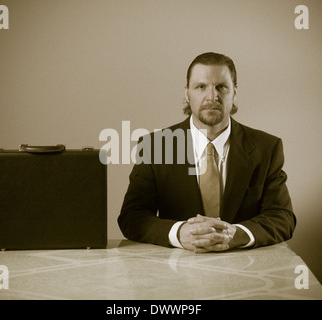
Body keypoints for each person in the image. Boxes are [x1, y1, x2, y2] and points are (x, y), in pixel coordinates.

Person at [118, 52, 296, 253]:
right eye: (201, 87)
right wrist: (179, 233)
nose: (212, 97)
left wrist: (236, 234)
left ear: (234, 92)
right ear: (187, 93)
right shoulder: (154, 146)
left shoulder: (267, 147)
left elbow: (283, 217)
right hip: (174, 273)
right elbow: (132, 217)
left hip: (247, 268)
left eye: (221, 87)